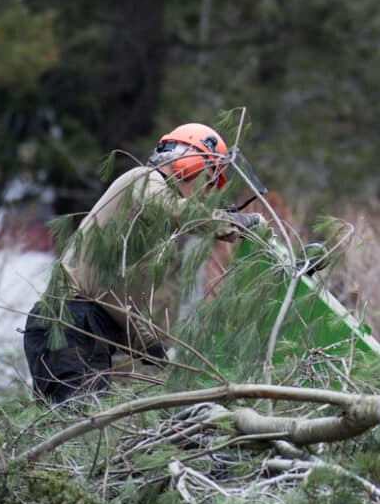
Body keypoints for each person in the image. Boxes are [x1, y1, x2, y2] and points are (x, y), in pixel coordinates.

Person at [23, 122, 258, 402]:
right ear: (188, 163)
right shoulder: (144, 181)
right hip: (68, 323)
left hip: (86, 327)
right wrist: (234, 223)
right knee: (81, 424)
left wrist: (158, 352)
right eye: (208, 180)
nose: (208, 194)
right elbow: (175, 210)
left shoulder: (150, 233)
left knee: (84, 428)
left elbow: (121, 302)